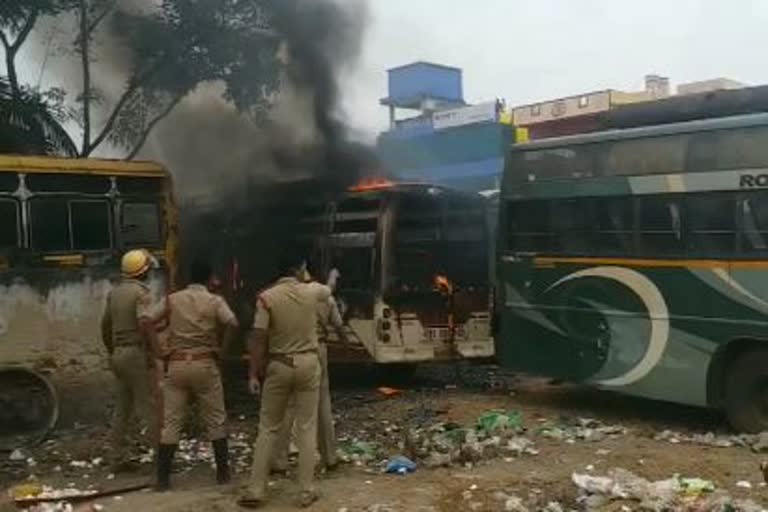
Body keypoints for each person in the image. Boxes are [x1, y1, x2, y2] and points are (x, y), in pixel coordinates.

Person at [239, 254, 333, 509]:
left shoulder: (266, 298)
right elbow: (329, 290)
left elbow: (258, 338)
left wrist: (252, 374)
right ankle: (306, 490)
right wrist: (331, 276)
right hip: (308, 363)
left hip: (279, 365)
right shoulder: (312, 291)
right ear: (299, 269)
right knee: (306, 427)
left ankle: (256, 490)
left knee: (268, 427)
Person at [154, 260, 239, 491]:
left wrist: (158, 351)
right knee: (216, 418)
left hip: (177, 364)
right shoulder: (215, 301)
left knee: (171, 422)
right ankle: (222, 474)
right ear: (209, 278)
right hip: (205, 363)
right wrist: (223, 351)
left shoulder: (172, 299)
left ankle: (162, 480)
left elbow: (147, 321)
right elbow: (233, 323)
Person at [271, 270, 346, 473]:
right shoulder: (323, 296)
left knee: (288, 406)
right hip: (317, 350)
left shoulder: (289, 295)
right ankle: (329, 457)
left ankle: (279, 460)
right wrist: (344, 342)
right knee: (323, 403)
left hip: (290, 351)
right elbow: (339, 326)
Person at [101, 249, 162, 472]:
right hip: (136, 353)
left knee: (122, 409)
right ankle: (160, 460)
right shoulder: (141, 294)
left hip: (118, 353)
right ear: (143, 271)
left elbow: (105, 327)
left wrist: (112, 351)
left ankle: (116, 457)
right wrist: (154, 353)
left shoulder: (114, 293)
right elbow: (145, 324)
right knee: (150, 408)